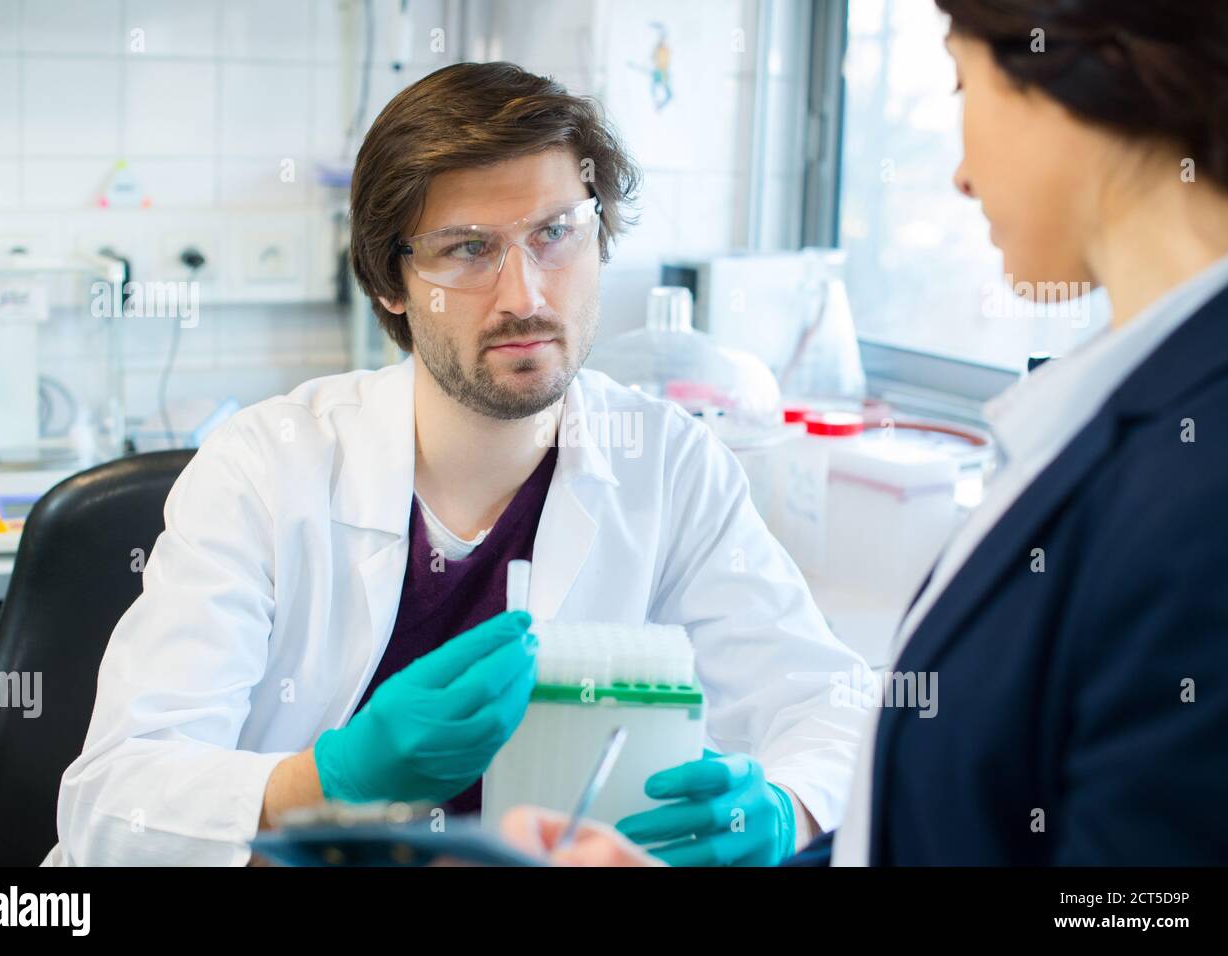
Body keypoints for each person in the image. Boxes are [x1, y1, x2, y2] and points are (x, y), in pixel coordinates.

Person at [44, 62, 871, 866]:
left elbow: (832, 711)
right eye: (468, 249)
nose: (526, 297)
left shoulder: (670, 465)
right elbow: (114, 802)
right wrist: (323, 783)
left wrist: (785, 813)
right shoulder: (265, 468)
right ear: (389, 284)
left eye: (555, 235)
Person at [501, 0, 1228, 866]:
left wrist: (782, 813)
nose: (962, 174)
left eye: (966, 82)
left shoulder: (1204, 480)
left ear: (1084, 69)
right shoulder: (1150, 409)